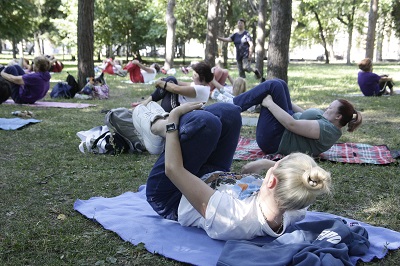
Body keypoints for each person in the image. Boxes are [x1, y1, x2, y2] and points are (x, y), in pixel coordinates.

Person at [132, 101, 332, 240]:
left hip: (174, 194)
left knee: (203, 122)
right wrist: (264, 163)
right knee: (230, 112)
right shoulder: (297, 204)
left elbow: (173, 170)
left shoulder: (234, 218)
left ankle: (157, 127)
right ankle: (161, 128)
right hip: (214, 177)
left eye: (276, 164)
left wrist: (173, 121)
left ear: (271, 181)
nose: (274, 163)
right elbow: (297, 175)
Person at [232, 79, 362, 159]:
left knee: (274, 86)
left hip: (274, 141)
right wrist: (284, 99)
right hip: (282, 131)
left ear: (338, 116)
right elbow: (303, 114)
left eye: (330, 108)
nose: (327, 109)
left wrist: (270, 103)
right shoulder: (328, 123)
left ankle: (232, 106)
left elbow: (291, 125)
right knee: (281, 84)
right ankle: (243, 104)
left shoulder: (326, 130)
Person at [137, 61, 213, 113]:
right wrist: (164, 80)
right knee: (171, 80)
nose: (192, 77)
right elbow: (179, 83)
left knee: (170, 81)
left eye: (195, 75)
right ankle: (147, 101)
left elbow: (176, 89)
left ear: (202, 78)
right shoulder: (201, 85)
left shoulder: (201, 89)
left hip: (176, 111)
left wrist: (162, 83)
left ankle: (146, 102)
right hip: (176, 106)